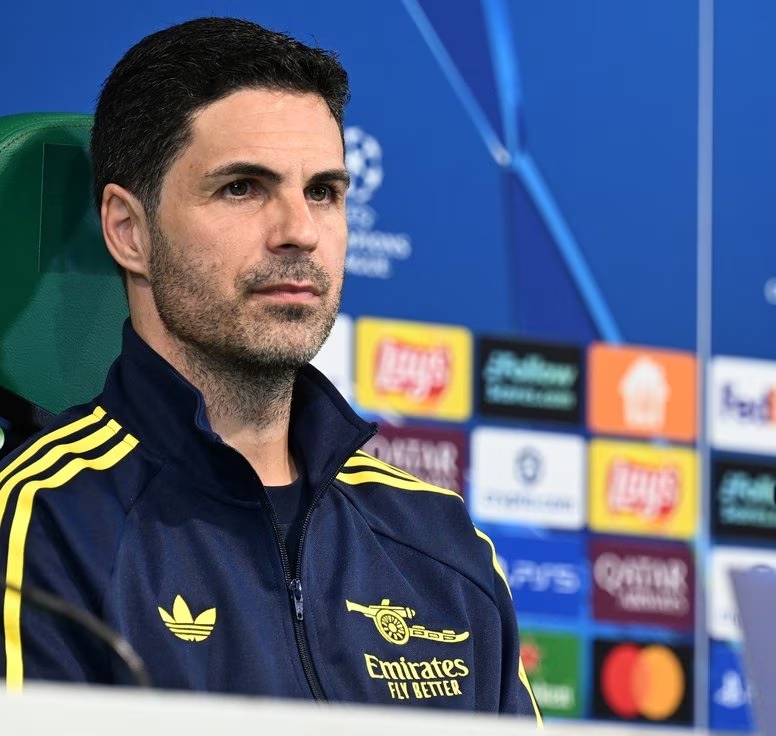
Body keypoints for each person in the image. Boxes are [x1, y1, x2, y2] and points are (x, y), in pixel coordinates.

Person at [0, 17, 542, 723]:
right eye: (242, 188)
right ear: (129, 231)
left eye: (323, 192)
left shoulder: (441, 543)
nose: (299, 231)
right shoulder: (40, 526)